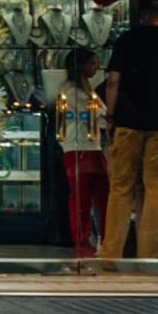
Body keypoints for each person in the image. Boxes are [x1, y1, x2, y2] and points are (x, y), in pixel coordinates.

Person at [99, 0, 158, 267]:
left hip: (128, 122)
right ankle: (149, 257)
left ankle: (110, 256)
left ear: (142, 14)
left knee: (121, 188)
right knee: (156, 189)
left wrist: (110, 117)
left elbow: (113, 81)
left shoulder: (127, 39)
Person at [51, 47, 108, 264]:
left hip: (89, 147)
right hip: (80, 148)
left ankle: (96, 239)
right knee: (82, 198)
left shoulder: (85, 90)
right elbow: (100, 117)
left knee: (95, 197)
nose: (96, 67)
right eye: (92, 63)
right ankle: (82, 241)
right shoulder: (72, 93)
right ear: (81, 66)